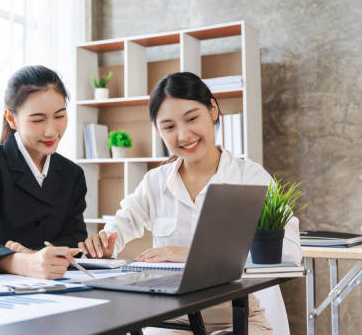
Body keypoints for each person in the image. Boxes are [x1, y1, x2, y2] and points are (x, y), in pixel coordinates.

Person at [78, 72, 302, 334]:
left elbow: (288, 253)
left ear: (213, 110)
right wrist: (104, 243)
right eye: (169, 127)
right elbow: (121, 224)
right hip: (173, 316)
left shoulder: (251, 178)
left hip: (239, 313)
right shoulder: (155, 181)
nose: (183, 135)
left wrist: (189, 255)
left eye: (192, 118)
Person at [0, 65, 87, 279]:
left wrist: (40, 257)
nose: (51, 131)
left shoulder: (72, 174)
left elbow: (75, 236)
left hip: (46, 288)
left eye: (59, 116)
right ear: (12, 118)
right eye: (38, 120)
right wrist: (22, 263)